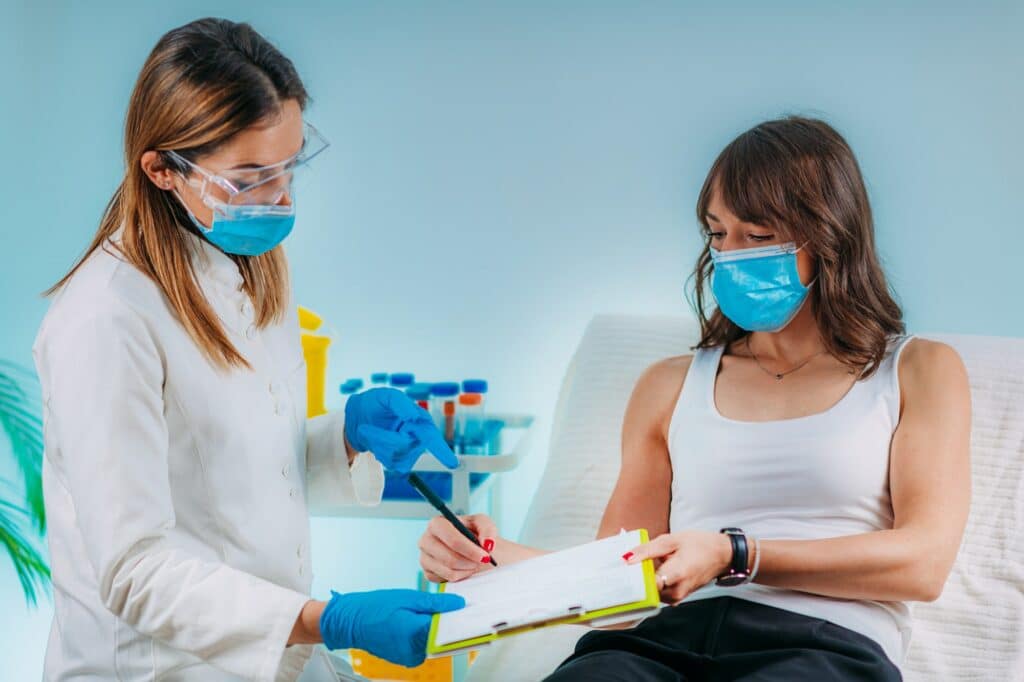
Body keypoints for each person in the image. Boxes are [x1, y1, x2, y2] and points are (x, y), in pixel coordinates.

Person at [416, 116, 971, 680]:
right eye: (716, 233)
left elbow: (924, 564)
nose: (731, 255)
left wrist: (735, 555)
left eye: (757, 236)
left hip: (822, 647)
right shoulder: (669, 384)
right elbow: (617, 577)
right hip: (661, 643)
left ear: (830, 236)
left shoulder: (916, 370)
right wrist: (488, 557)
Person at [33, 18, 469, 681]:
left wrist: (344, 439)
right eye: (250, 177)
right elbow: (135, 571)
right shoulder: (104, 318)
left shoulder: (252, 262)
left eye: (291, 165)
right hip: (163, 667)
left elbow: (236, 473)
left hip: (274, 656)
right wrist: (330, 620)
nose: (283, 196)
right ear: (161, 170)